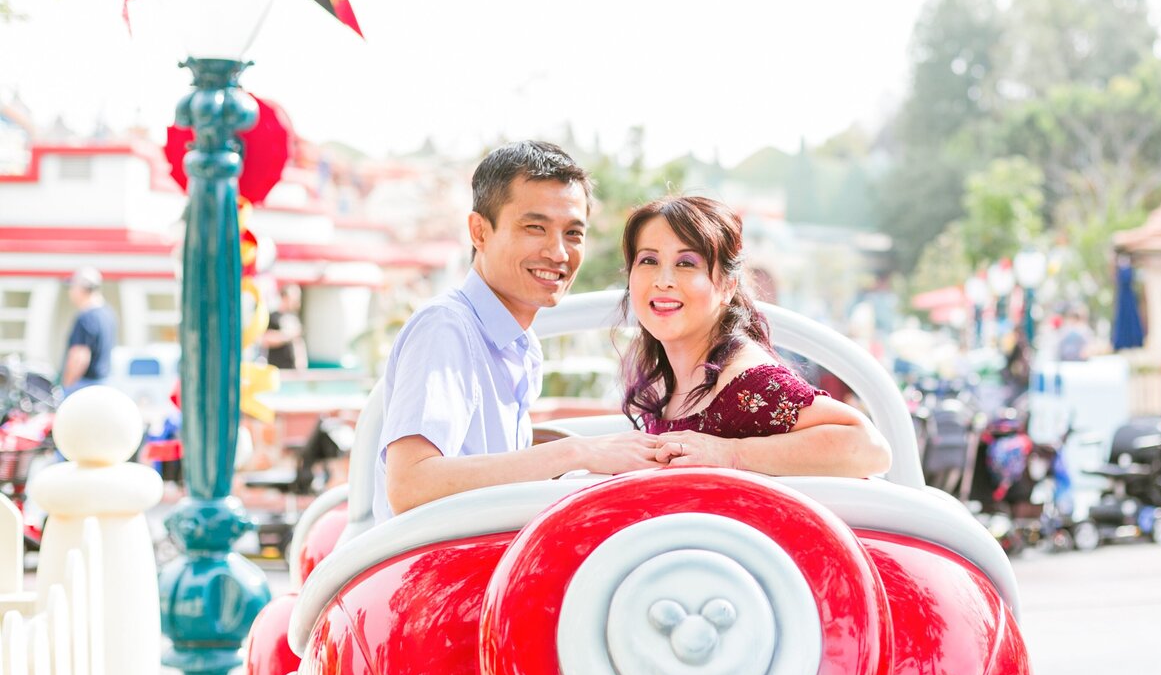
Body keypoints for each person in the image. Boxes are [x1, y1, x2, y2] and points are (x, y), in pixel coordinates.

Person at [374, 141, 658, 522]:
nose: (558, 253)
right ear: (479, 231)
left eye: (573, 234)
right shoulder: (447, 328)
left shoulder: (517, 342)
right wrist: (576, 454)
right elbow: (410, 485)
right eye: (534, 228)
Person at [619, 196, 891, 477]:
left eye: (686, 263)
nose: (663, 280)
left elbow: (869, 448)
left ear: (727, 286)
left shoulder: (743, 383)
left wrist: (731, 454)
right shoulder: (671, 375)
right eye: (649, 260)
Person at [61, 266, 118, 395]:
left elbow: (79, 356)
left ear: (82, 289)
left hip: (84, 386)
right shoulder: (108, 313)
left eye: (72, 287)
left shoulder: (86, 317)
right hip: (104, 384)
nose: (70, 292)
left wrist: (67, 387)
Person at [262, 284, 308, 369]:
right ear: (284, 297)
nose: (296, 301)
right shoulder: (272, 317)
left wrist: (302, 363)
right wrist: (287, 335)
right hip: (278, 368)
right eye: (294, 297)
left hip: (293, 369)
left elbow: (298, 343)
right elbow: (265, 339)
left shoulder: (294, 317)